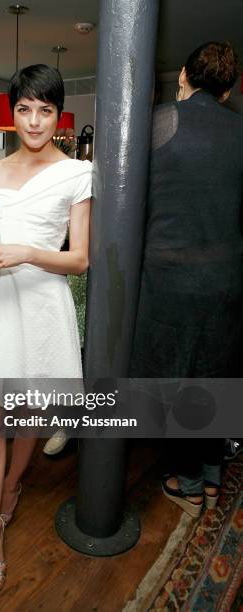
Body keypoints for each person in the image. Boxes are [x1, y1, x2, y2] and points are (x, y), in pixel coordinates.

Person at [0, 64, 92, 592]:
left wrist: (27, 253)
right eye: (24, 109)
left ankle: (13, 485)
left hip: (41, 299)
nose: (34, 121)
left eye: (45, 110)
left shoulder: (77, 173)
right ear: (11, 113)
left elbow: (79, 260)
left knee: (28, 407)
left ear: (58, 117)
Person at [130, 42, 243, 517]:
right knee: (215, 375)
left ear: (182, 76)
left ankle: (189, 484)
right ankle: (214, 479)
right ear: (228, 90)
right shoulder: (240, 128)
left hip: (172, 275)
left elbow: (128, 196)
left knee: (176, 380)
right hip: (227, 276)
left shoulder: (159, 121)